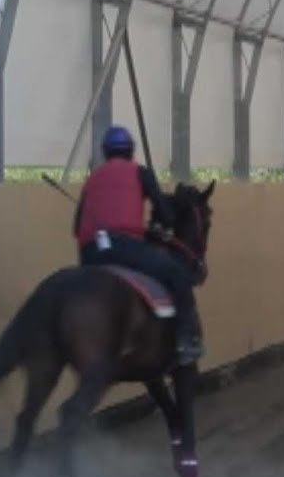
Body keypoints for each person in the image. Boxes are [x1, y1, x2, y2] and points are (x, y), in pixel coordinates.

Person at [74, 125, 203, 364]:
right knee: (177, 273)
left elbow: (76, 228)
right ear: (131, 151)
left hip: (90, 253)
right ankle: (187, 340)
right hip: (124, 247)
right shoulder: (140, 173)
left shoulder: (92, 179)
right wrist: (158, 221)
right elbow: (167, 216)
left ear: (105, 152)